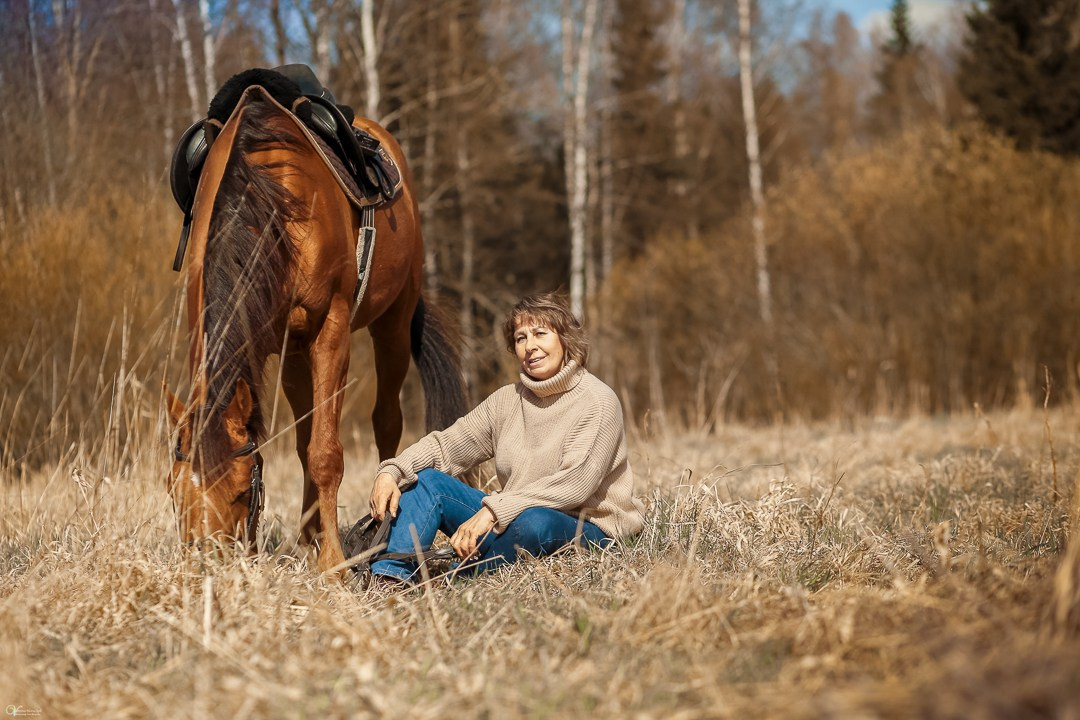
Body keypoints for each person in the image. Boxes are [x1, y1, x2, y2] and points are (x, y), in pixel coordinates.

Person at [367, 291, 645, 584]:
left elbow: (573, 486)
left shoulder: (597, 400)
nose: (530, 346)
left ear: (566, 339)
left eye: (540, 333)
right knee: (427, 482)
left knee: (535, 522)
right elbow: (446, 446)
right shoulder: (507, 400)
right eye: (520, 338)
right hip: (509, 516)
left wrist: (494, 511)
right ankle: (390, 580)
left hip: (588, 526)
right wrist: (392, 470)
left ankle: (457, 578)